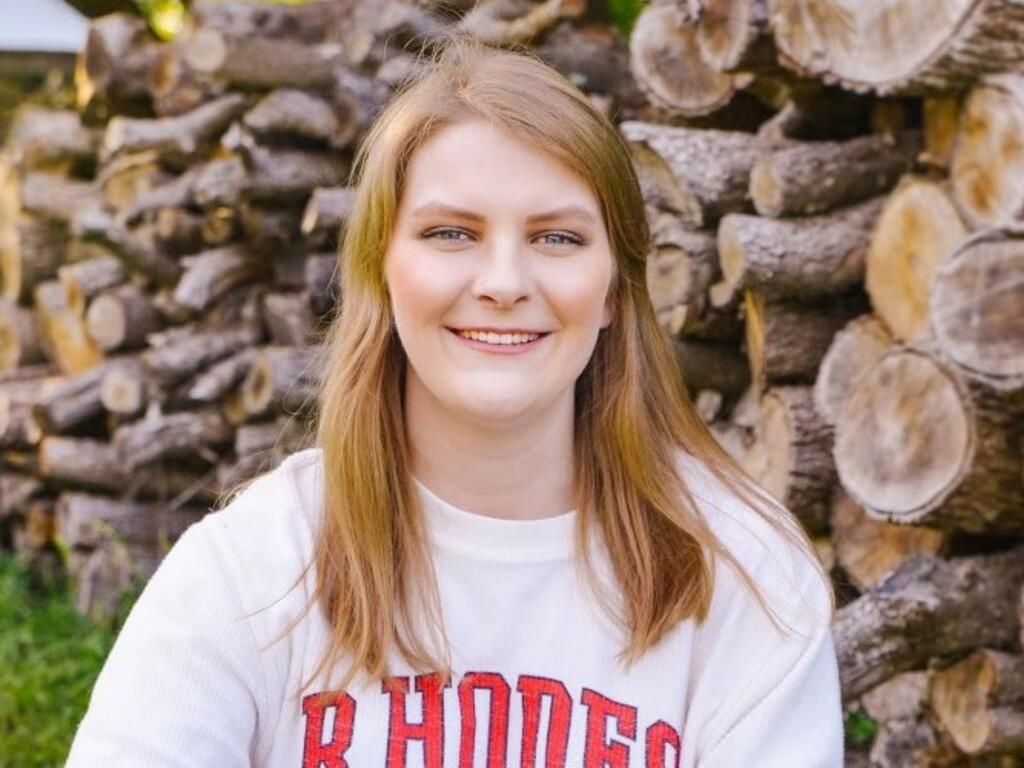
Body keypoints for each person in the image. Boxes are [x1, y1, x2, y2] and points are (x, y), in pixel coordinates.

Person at [66, 33, 843, 767]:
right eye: (450, 234)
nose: (504, 283)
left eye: (558, 238)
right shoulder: (251, 570)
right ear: (380, 270)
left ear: (613, 289)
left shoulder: (746, 576)